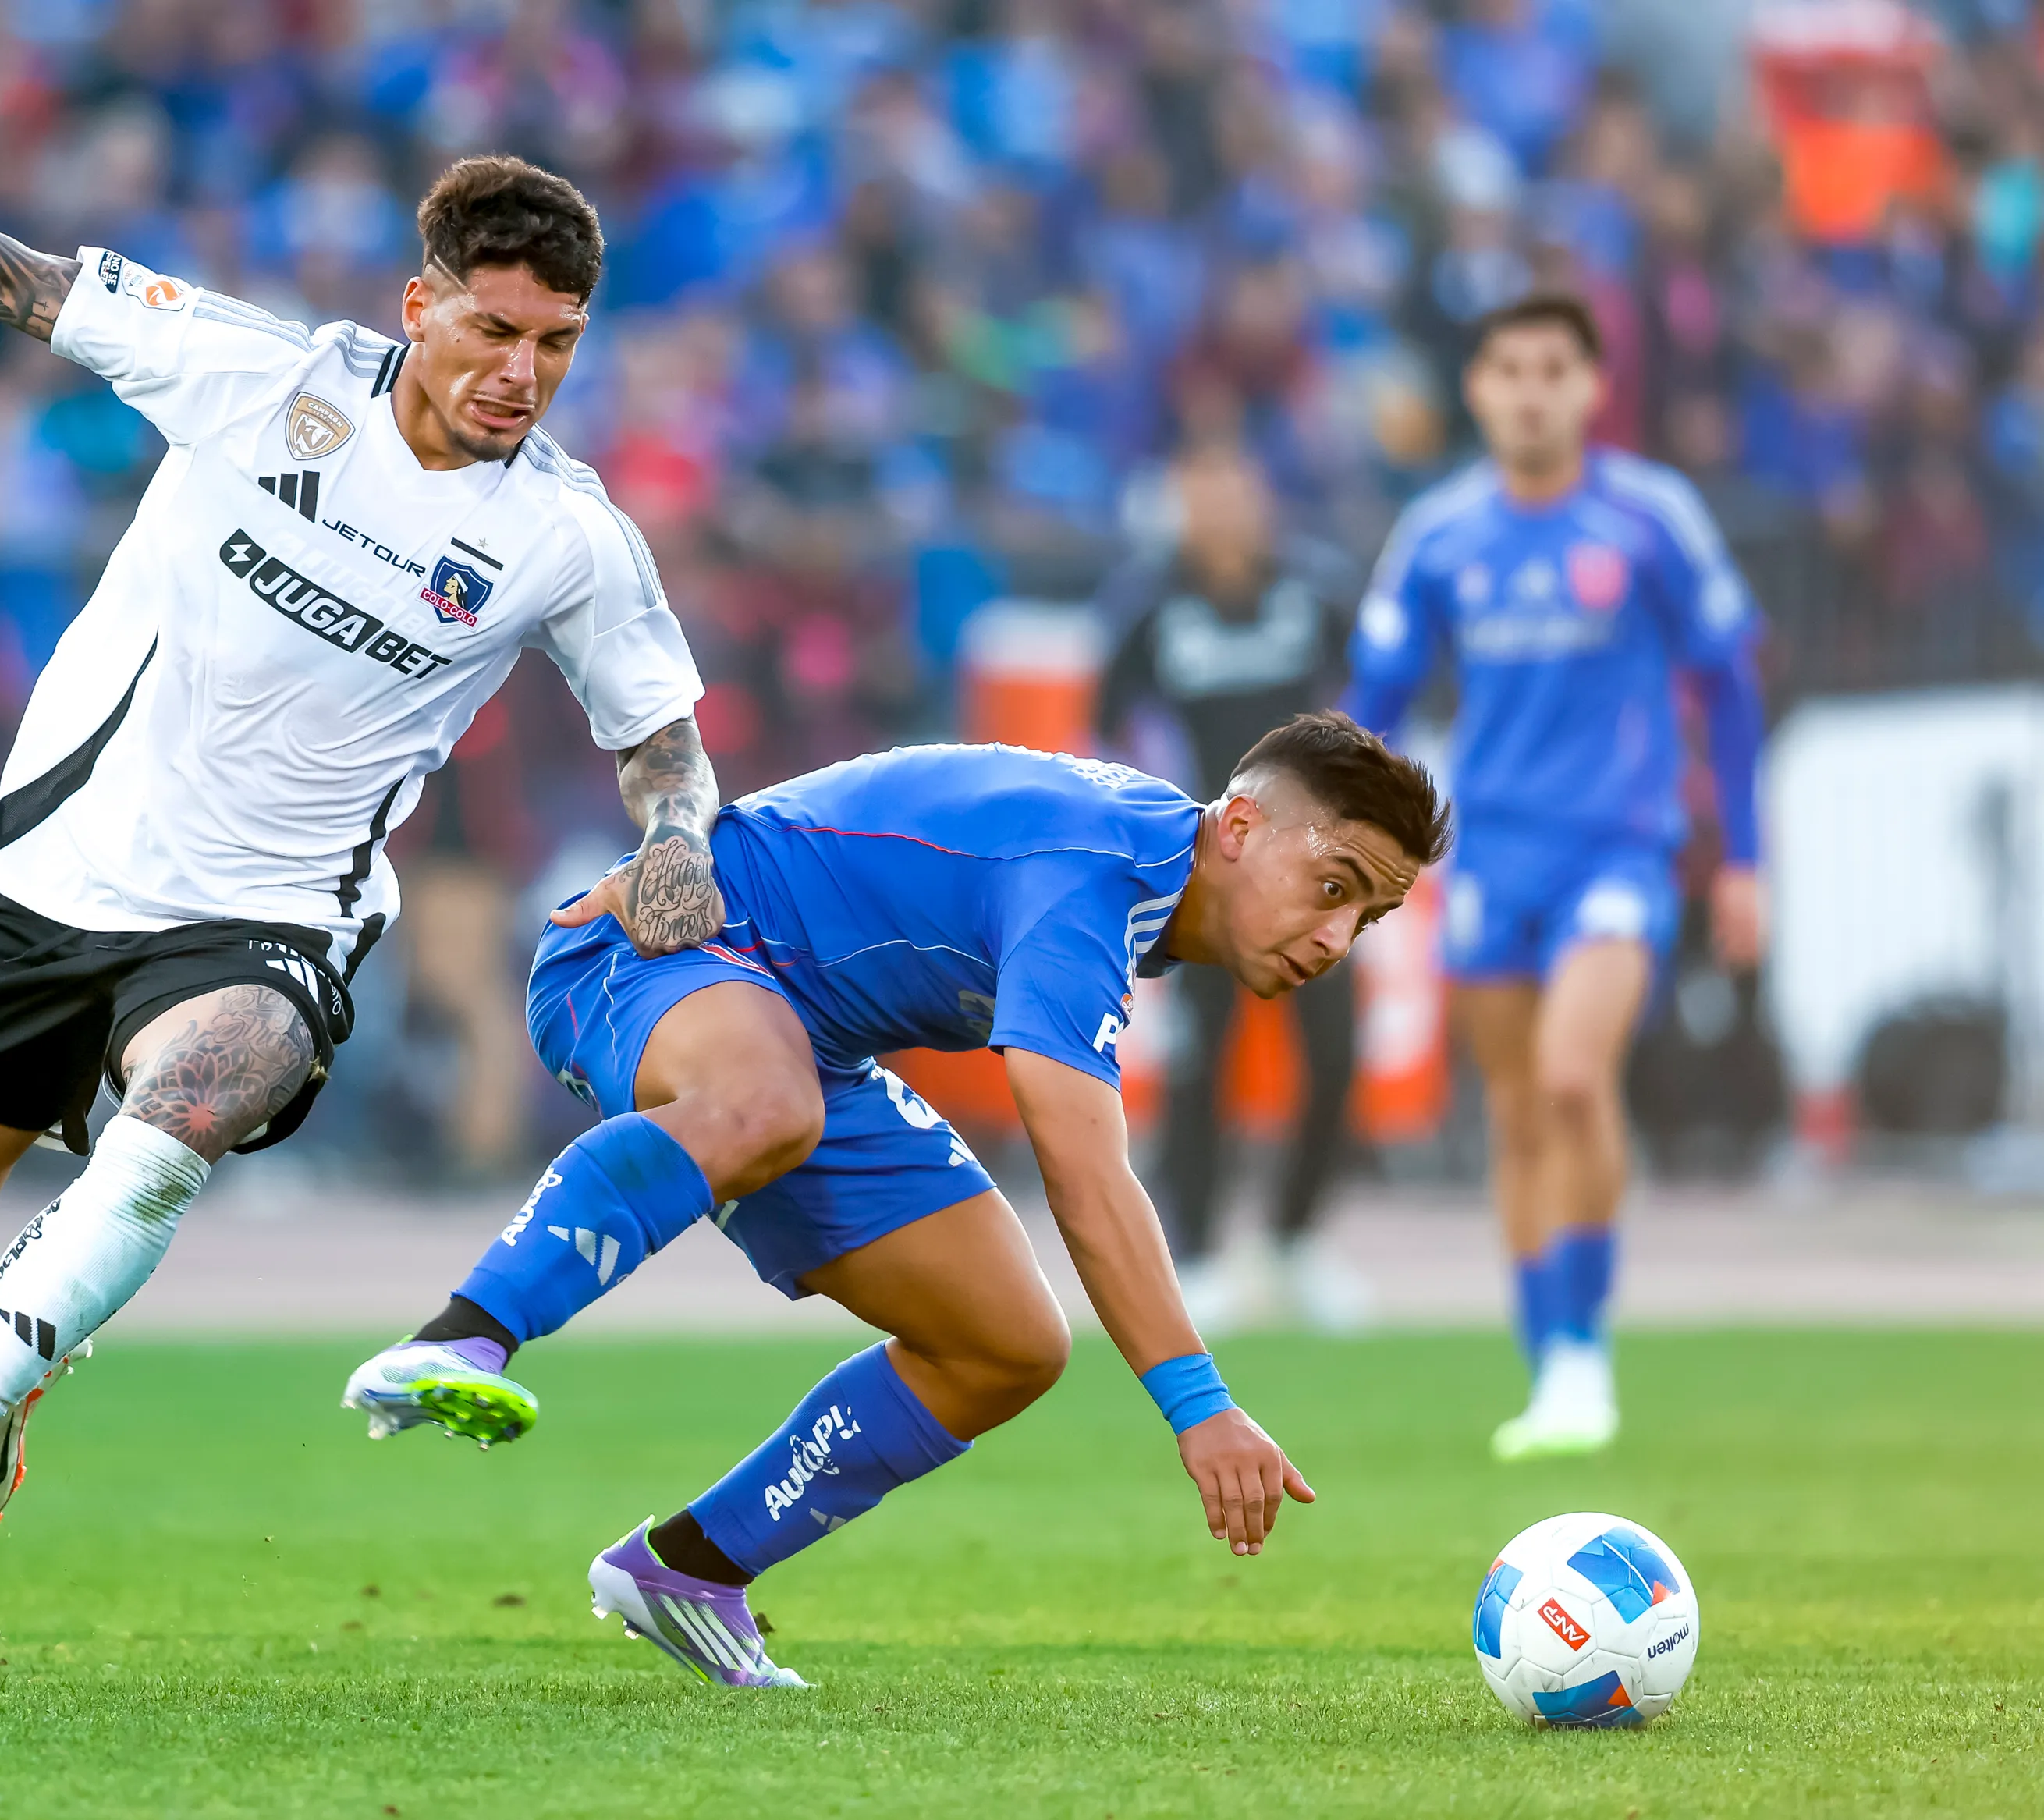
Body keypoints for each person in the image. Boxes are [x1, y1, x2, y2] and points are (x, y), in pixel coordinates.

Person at [0, 128, 722, 1576]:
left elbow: (659, 736)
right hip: (62, 881)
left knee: (186, 1111)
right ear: (420, 307)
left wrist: (677, 835)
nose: (520, 373)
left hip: (274, 917)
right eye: (494, 328)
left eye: (557, 343)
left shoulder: (569, 535)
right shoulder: (255, 374)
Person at [342, 713, 1452, 1687]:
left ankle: (689, 1569)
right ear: (1243, 826)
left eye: (1366, 918)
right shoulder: (1098, 870)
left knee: (1007, 1342)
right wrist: (1201, 1404)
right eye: (1334, 886)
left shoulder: (1147, 873)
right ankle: (460, 1341)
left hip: (804, 1040)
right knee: (767, 1100)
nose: (1335, 937)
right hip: (652, 948)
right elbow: (1084, 1168)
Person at [1340, 293, 1763, 1462]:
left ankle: (1587, 1350)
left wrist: (1745, 858)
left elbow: (1727, 681)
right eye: (1508, 369)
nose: (1530, 390)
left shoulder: (1649, 517)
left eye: (1553, 369)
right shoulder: (1437, 534)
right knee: (1519, 1109)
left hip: (1622, 846)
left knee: (1576, 1077)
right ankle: (1548, 1364)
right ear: (1477, 389)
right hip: (1493, 854)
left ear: (1589, 387)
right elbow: (1371, 704)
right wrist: (1323, 837)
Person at [1097, 442, 1366, 1332]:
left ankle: (1294, 1237)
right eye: (1199, 493)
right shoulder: (1148, 609)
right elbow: (1104, 732)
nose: (1218, 512)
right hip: (1202, 875)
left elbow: (1370, 694)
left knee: (1332, 1049)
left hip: (1313, 873)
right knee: (1200, 1060)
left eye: (1232, 490)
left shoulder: (1311, 593)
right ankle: (1202, 1251)